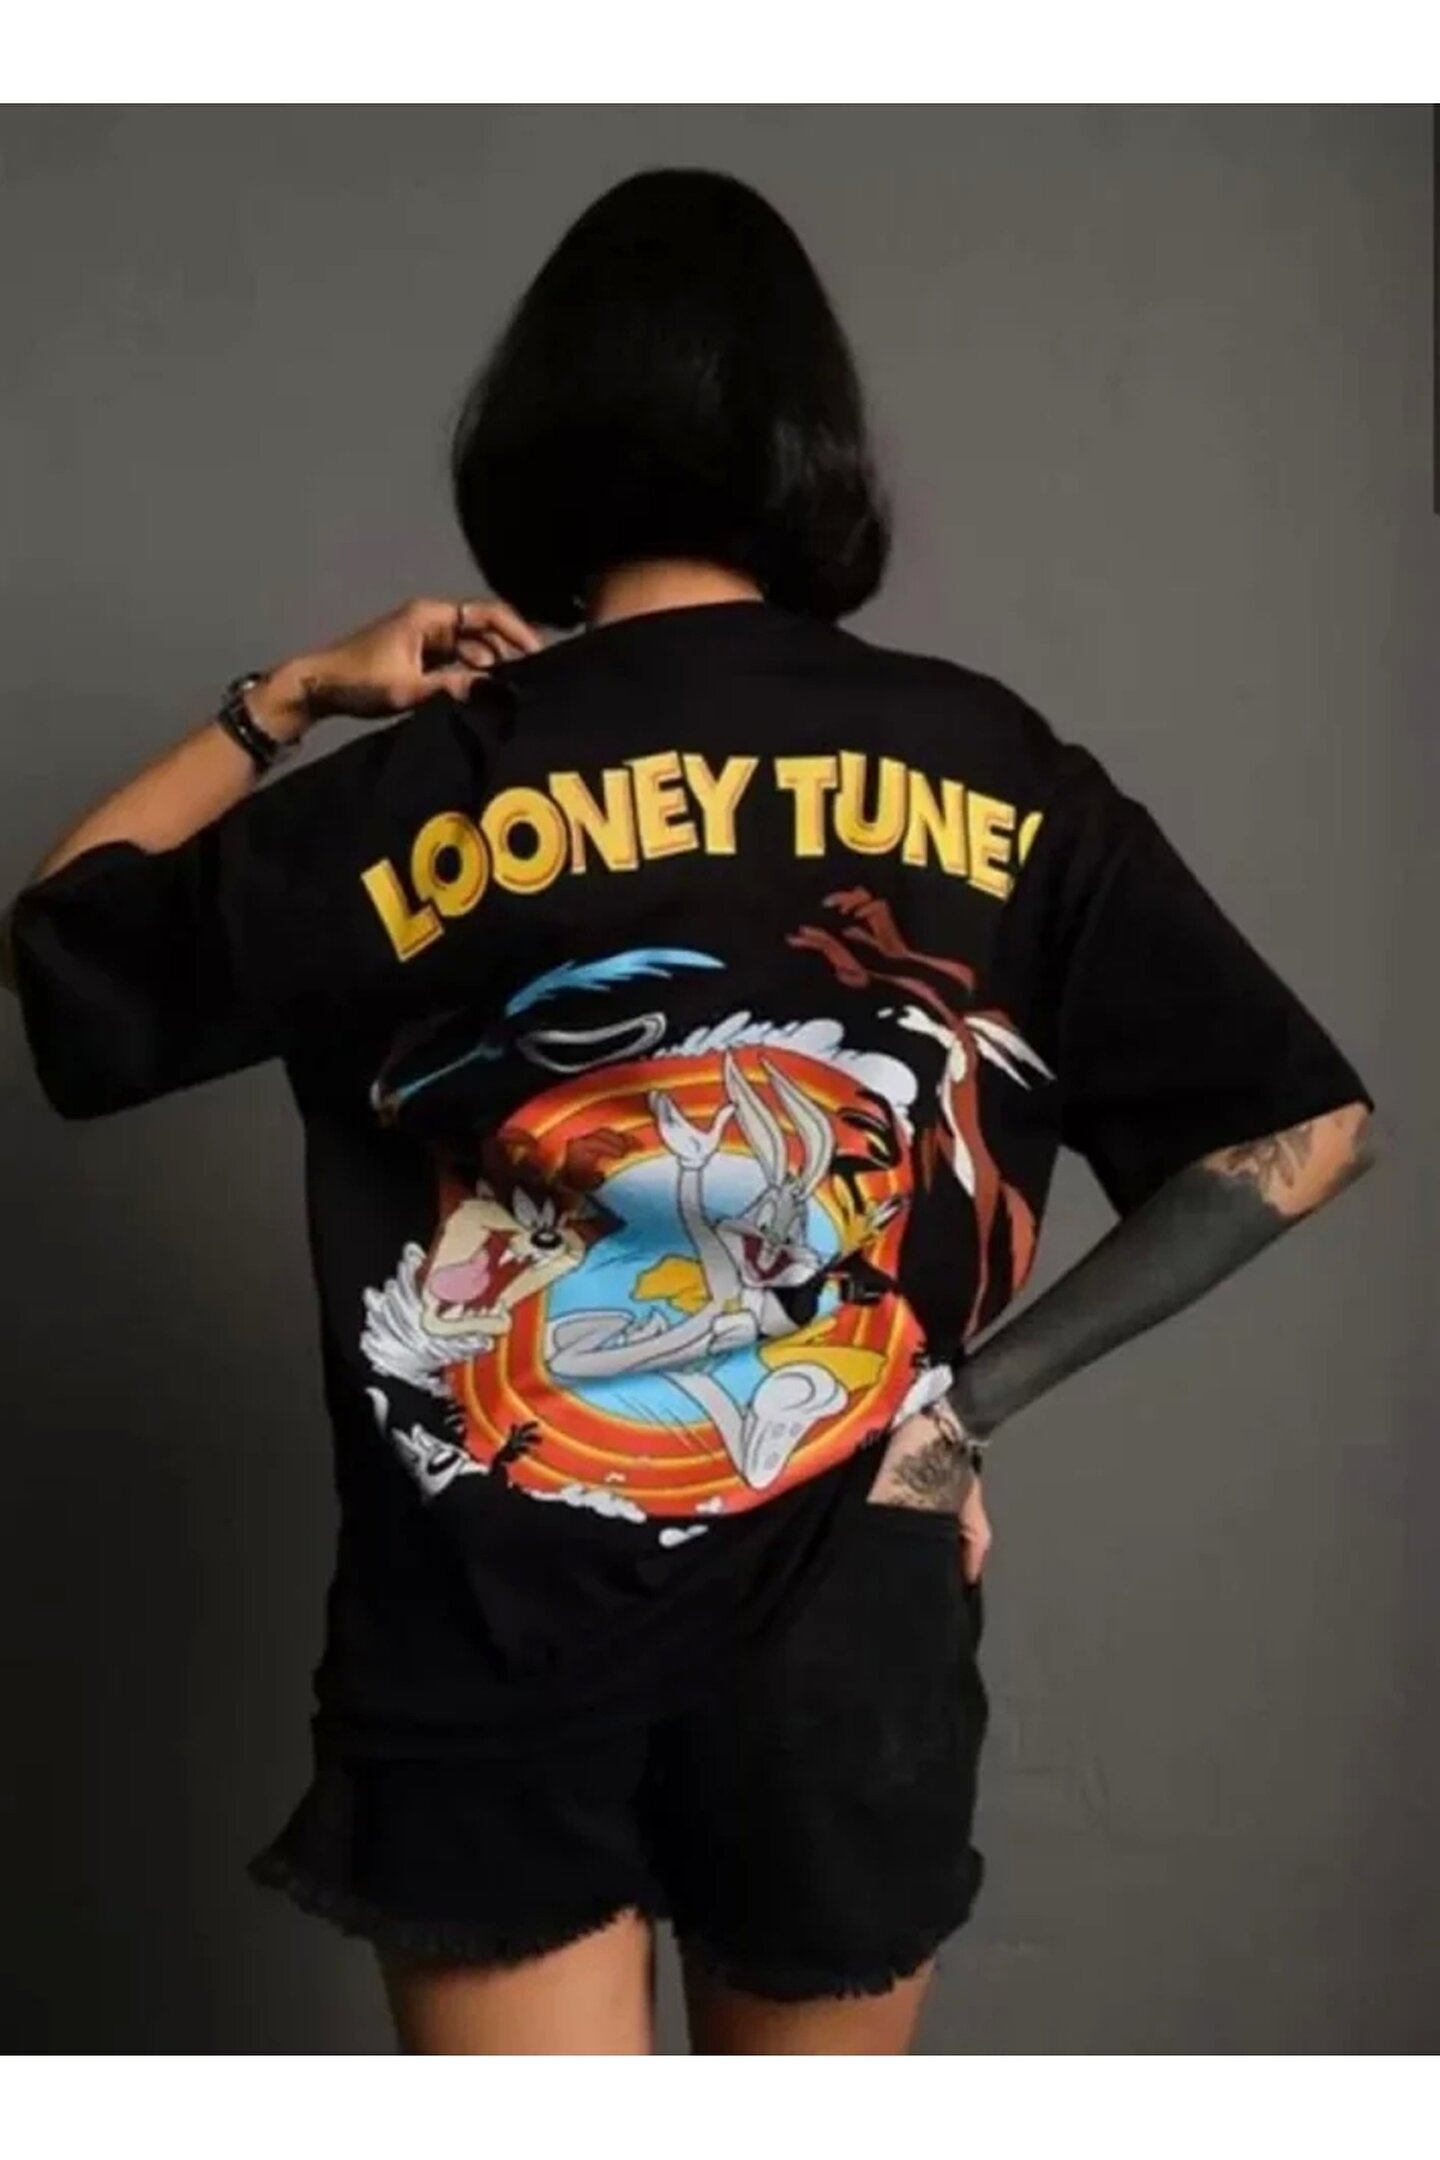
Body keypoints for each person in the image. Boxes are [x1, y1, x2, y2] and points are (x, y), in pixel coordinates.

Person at [1, 167, 1376, 2057]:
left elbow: (59, 945)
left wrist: (290, 699)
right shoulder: (992, 766)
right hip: (848, 1609)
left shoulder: (444, 778)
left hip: (490, 1613)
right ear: (811, 443)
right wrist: (962, 1414)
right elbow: (1301, 1131)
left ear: (542, 430)